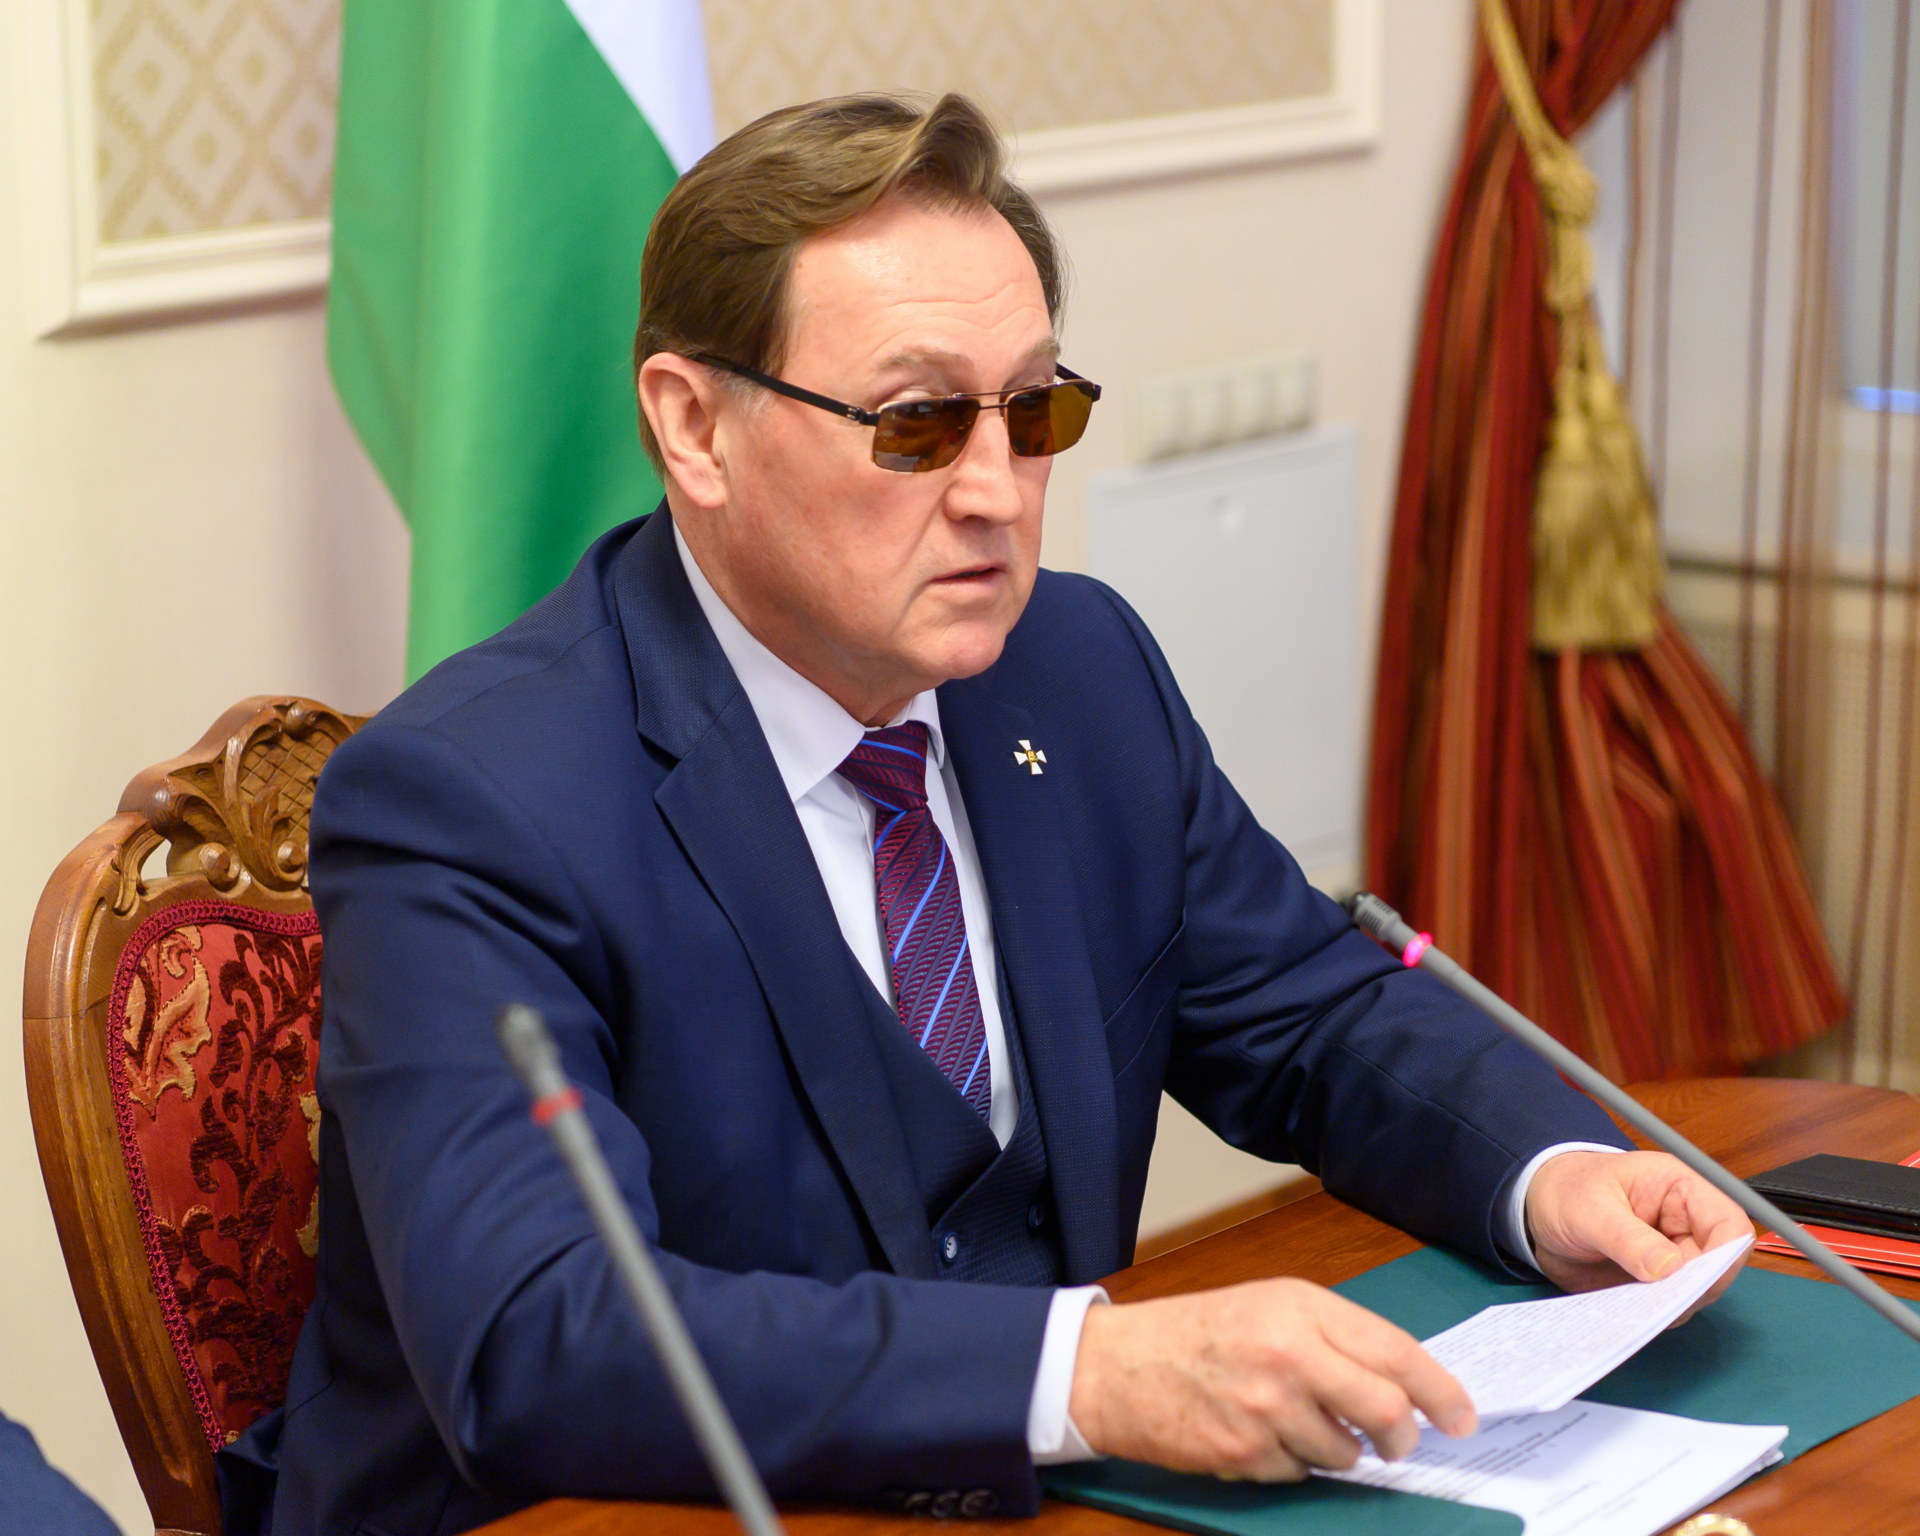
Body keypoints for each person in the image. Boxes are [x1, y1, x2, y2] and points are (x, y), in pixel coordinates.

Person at [236, 92, 1751, 1535]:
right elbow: (541, 1335)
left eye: (1032, 413)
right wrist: (1085, 1373)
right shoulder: (474, 801)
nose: (997, 492)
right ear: (695, 428)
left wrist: (1550, 1177)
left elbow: (1312, 1016)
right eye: (915, 424)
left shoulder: (1074, 669)